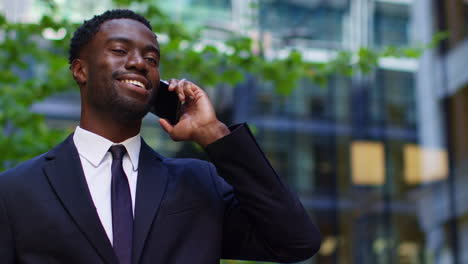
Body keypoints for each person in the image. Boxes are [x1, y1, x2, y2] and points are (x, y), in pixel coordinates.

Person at [0, 9, 321, 264]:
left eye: (151, 59)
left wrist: (213, 133)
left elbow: (295, 241)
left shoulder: (198, 182)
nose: (139, 62)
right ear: (80, 70)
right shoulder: (14, 191)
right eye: (119, 49)